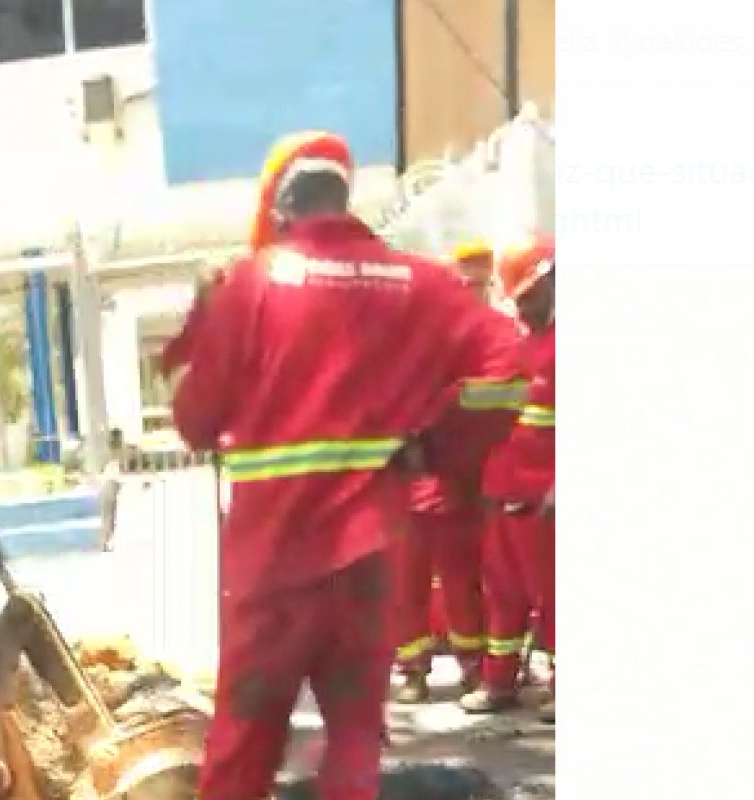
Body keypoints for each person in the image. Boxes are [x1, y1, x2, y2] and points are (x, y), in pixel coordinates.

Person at [159, 131, 519, 800]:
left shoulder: (251, 284)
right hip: (369, 562)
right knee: (353, 741)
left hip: (275, 568)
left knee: (244, 745)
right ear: (341, 199)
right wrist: (438, 448)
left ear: (283, 212)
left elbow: (194, 422)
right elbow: (509, 368)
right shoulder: (421, 281)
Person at [392, 240, 523, 703]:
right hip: (410, 481)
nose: (469, 290)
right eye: (462, 282)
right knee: (405, 583)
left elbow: (502, 399)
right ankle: (413, 670)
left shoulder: (500, 335)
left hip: (464, 482)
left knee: (463, 582)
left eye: (478, 282)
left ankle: (473, 665)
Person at [459, 233, 556, 724]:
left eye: (529, 298)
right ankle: (499, 681)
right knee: (503, 593)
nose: (522, 309)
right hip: (504, 490)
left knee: (555, 595)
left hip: (545, 498)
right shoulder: (524, 342)